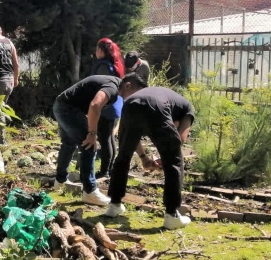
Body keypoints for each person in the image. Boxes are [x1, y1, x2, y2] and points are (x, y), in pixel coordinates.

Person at [105, 73, 194, 230]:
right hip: (156, 106)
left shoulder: (134, 98)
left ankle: (114, 205)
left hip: (130, 107)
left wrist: (144, 157)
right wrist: (165, 158)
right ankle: (172, 215)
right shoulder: (187, 107)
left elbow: (133, 137)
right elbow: (180, 138)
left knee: (123, 157)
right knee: (175, 161)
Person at [52, 75, 122, 207]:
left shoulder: (113, 84)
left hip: (61, 104)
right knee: (89, 145)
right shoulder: (113, 87)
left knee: (68, 144)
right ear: (129, 85)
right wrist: (92, 133)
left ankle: (60, 181)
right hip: (68, 108)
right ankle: (90, 191)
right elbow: (95, 105)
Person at [89, 38, 125, 178]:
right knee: (109, 138)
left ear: (101, 50)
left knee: (105, 139)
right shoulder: (113, 65)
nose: (95, 51)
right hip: (115, 106)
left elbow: (101, 88)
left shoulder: (103, 66)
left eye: (97, 48)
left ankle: (104, 171)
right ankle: (109, 170)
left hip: (106, 107)